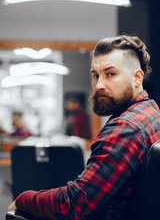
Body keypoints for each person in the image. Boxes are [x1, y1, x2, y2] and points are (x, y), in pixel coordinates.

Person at [8, 35, 160, 220]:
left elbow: (75, 204)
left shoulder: (125, 128)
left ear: (137, 78)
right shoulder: (151, 111)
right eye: (95, 75)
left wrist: (24, 198)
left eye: (110, 74)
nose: (99, 85)